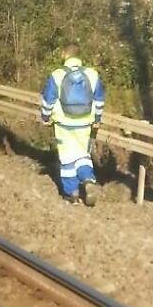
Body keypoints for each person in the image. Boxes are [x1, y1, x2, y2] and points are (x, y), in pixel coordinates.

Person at [40, 44, 105, 206]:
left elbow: (48, 101)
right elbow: (99, 101)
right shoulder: (92, 74)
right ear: (79, 56)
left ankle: (73, 194)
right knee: (82, 155)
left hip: (64, 124)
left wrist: (45, 117)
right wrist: (97, 119)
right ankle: (88, 180)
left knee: (67, 158)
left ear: (64, 54)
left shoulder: (57, 75)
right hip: (85, 123)